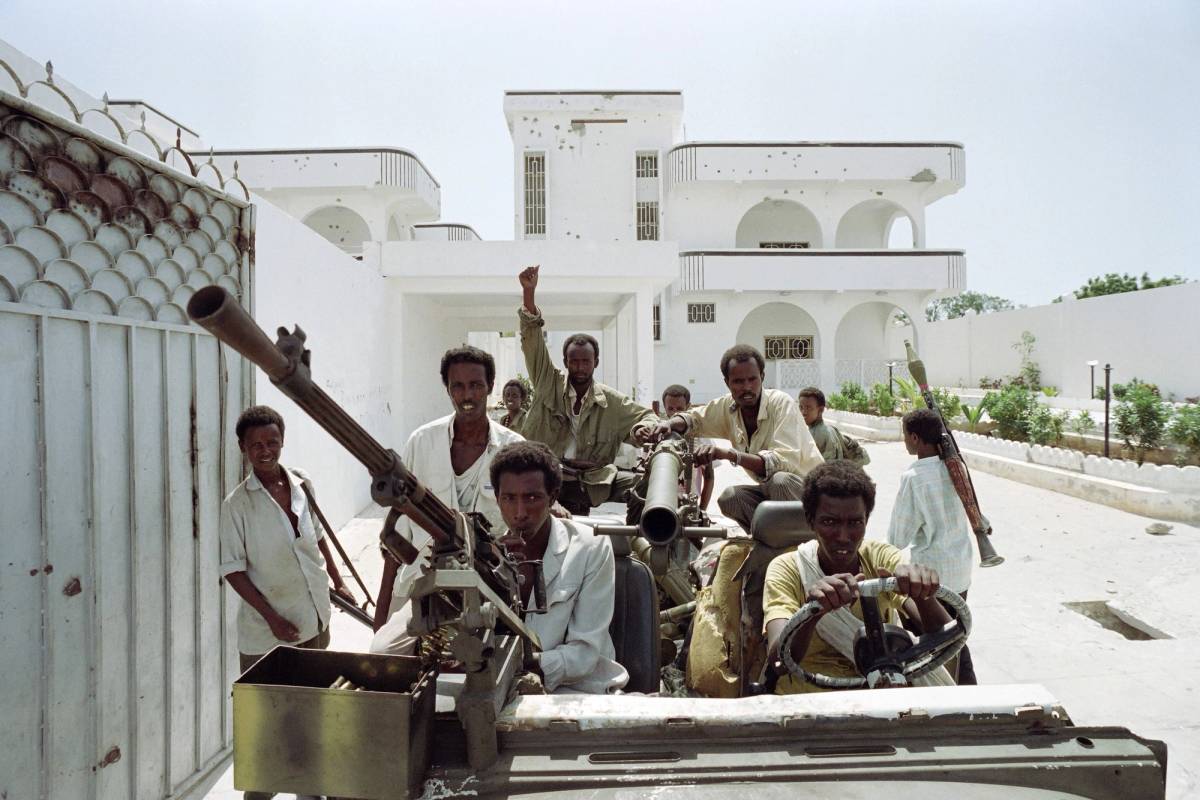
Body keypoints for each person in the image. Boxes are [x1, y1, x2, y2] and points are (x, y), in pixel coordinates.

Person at [219, 406, 354, 800]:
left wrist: (339, 581)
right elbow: (233, 571)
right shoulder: (237, 505)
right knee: (270, 726)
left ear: (283, 441)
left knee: (310, 714)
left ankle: (309, 792)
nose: (265, 450)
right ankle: (259, 794)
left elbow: (319, 538)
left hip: (312, 619)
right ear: (243, 448)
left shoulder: (301, 484)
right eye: (256, 445)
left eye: (272, 442)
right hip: (267, 637)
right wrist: (272, 619)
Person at [370, 346, 525, 653]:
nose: (467, 395)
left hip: (492, 593)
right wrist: (382, 613)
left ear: (490, 387)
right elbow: (396, 536)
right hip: (425, 587)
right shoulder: (423, 442)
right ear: (448, 389)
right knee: (383, 652)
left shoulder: (512, 449)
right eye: (458, 386)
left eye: (476, 385)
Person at [763, 461, 954, 694]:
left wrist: (923, 592)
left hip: (884, 697)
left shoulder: (880, 557)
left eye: (854, 523)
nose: (843, 537)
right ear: (810, 521)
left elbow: (947, 637)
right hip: (810, 703)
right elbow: (778, 662)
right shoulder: (786, 569)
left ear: (866, 521)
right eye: (829, 522)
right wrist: (812, 613)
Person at [637, 345, 823, 533]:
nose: (747, 387)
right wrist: (668, 425)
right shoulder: (729, 407)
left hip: (813, 496)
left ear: (762, 378)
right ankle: (771, 539)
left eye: (752, 379)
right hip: (774, 494)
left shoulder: (781, 403)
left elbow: (781, 463)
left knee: (779, 481)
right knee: (730, 498)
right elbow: (694, 419)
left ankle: (806, 539)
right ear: (727, 382)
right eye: (738, 382)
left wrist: (728, 455)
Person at [517, 265, 658, 514]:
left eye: (586, 361)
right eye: (574, 361)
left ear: (596, 363)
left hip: (592, 481)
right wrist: (529, 293)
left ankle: (639, 544)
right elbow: (532, 340)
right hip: (544, 477)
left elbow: (647, 417)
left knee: (647, 487)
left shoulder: (611, 402)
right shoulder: (547, 382)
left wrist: (644, 430)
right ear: (565, 362)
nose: (580, 367)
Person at [492, 441, 629, 693]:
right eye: (509, 498)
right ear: (497, 499)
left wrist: (518, 666)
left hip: (579, 691)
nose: (520, 512)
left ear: (553, 497)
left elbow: (584, 653)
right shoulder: (490, 557)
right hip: (503, 688)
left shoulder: (590, 547)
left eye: (532, 498)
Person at [886, 408, 976, 684]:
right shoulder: (956, 466)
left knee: (936, 639)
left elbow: (897, 537)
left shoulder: (914, 477)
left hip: (930, 577)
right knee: (954, 632)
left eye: (905, 436)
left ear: (914, 438)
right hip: (960, 569)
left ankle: (955, 690)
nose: (904, 442)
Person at [661, 384, 714, 512]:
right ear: (664, 408)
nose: (674, 414)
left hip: (690, 504)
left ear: (688, 407)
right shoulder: (658, 435)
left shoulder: (701, 438)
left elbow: (709, 477)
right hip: (662, 503)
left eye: (679, 409)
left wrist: (702, 510)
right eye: (670, 409)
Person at [798, 386, 870, 466]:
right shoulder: (831, 429)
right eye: (801, 407)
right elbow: (858, 452)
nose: (803, 412)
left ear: (821, 410)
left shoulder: (816, 434)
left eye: (809, 408)